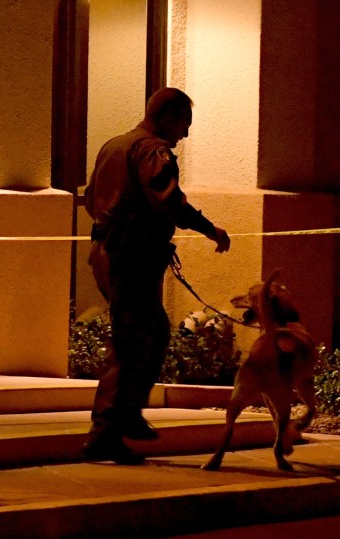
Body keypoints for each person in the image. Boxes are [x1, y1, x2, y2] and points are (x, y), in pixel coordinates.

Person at [83, 87, 230, 463]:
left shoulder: (113, 145)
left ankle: (128, 416)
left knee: (152, 332)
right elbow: (168, 198)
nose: (186, 133)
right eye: (184, 123)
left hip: (108, 251)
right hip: (130, 256)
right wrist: (209, 228)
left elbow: (90, 199)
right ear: (167, 116)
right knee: (131, 342)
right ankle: (106, 432)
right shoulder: (152, 151)